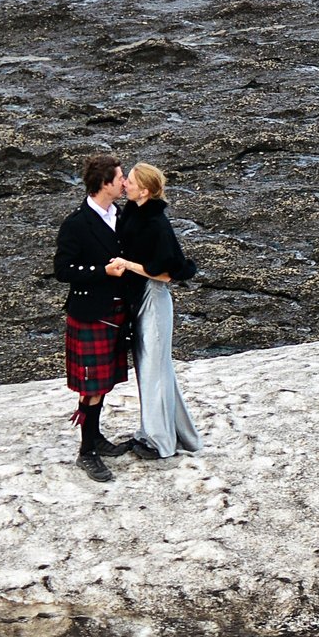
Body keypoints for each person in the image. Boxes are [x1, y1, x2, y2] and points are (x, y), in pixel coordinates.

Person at [52, 153, 134, 481]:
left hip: (118, 312)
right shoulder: (77, 223)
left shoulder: (122, 215)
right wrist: (102, 271)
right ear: (104, 184)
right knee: (93, 387)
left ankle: (96, 437)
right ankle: (87, 452)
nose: (125, 182)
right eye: (120, 178)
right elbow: (62, 270)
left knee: (104, 384)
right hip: (91, 314)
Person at [115, 162, 200, 458]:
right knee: (153, 369)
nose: (124, 184)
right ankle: (174, 434)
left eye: (130, 181)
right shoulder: (134, 214)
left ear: (145, 190)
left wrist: (127, 265)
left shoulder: (155, 223)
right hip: (140, 299)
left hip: (154, 299)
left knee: (154, 370)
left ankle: (160, 442)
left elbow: (165, 272)